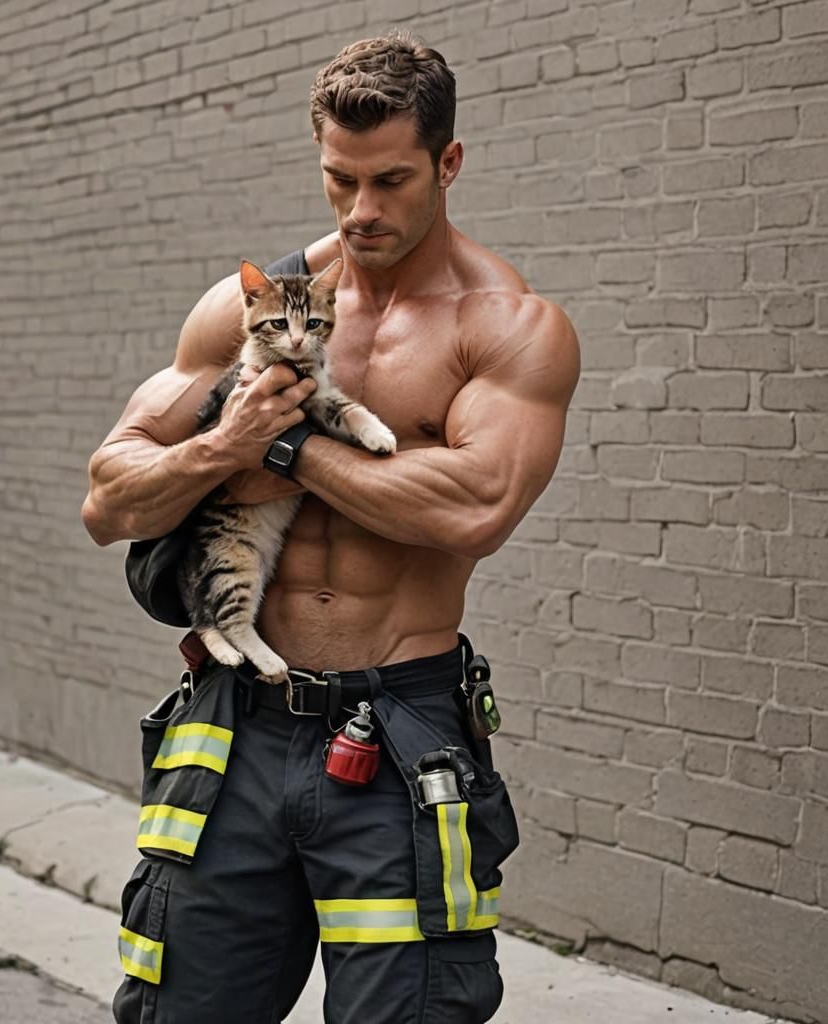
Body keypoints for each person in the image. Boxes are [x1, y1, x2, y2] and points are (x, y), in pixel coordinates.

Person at [82, 31, 579, 1024]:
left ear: (446, 164)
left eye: (391, 180)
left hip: (393, 727)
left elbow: (473, 509)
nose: (362, 210)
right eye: (338, 180)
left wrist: (277, 447)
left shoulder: (506, 324)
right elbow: (109, 498)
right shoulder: (251, 306)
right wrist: (215, 451)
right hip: (237, 721)